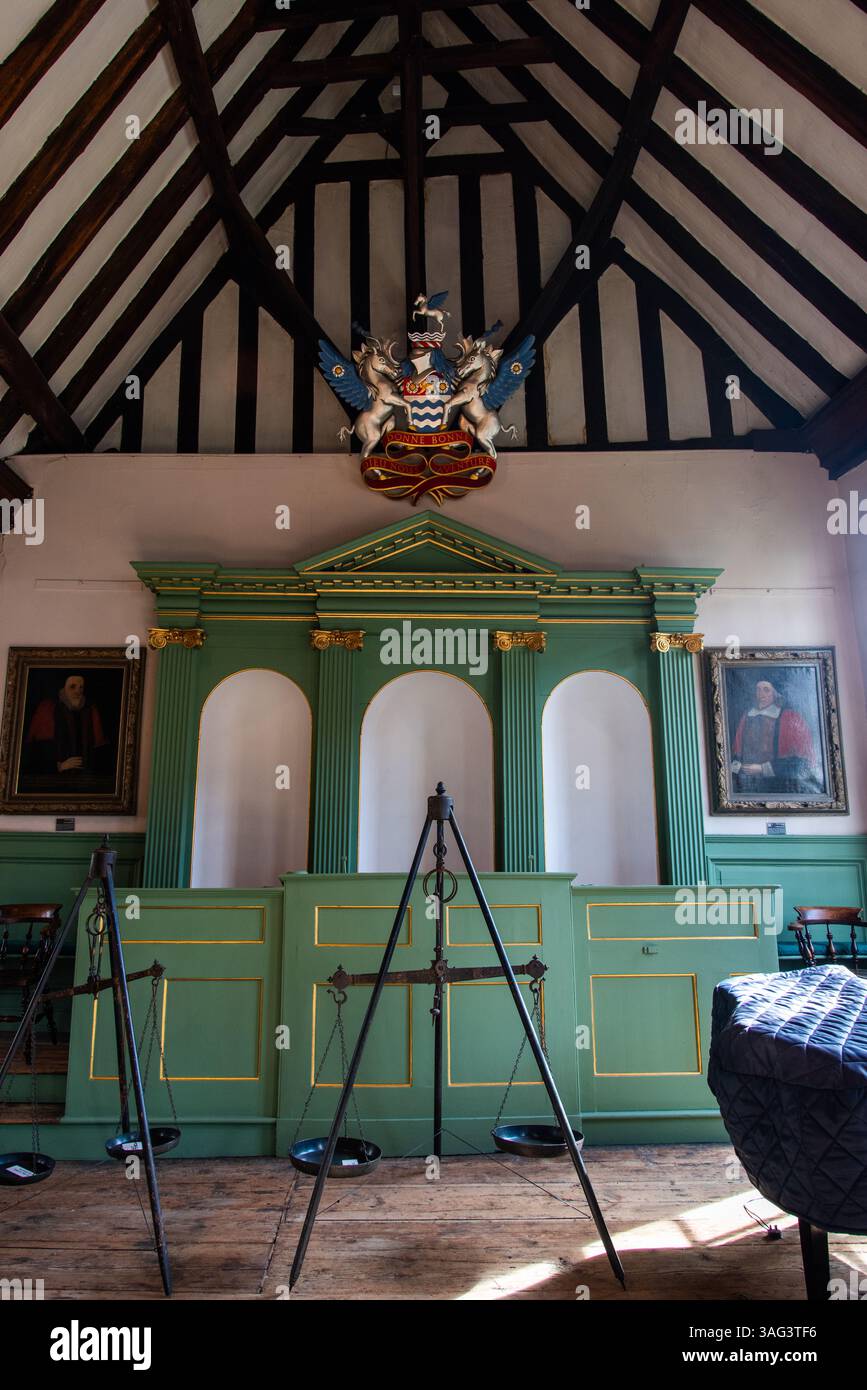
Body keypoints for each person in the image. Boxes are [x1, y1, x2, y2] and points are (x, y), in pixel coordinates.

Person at [730, 677, 818, 795]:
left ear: (776, 694)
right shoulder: (747, 717)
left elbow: (801, 763)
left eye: (766, 690)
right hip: (746, 784)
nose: (761, 694)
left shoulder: (790, 718)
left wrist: (762, 769)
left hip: (779, 786)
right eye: (758, 689)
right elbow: (735, 753)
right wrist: (738, 768)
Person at [24, 674, 110, 778]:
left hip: (86, 779)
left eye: (81, 687)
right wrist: (60, 766)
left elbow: (99, 749)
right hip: (54, 780)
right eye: (72, 687)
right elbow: (36, 753)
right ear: (62, 690)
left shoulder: (90, 710)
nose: (78, 692)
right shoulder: (48, 709)